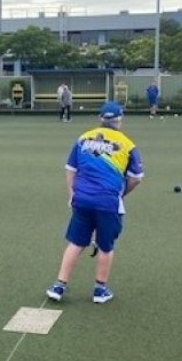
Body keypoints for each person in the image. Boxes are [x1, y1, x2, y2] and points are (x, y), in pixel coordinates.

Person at [46, 102, 143, 305]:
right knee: (105, 246)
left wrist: (72, 192)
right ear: (119, 120)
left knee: (76, 242)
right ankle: (100, 290)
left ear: (100, 119)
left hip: (82, 199)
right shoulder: (128, 144)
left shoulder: (83, 138)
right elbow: (136, 178)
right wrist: (121, 193)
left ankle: (59, 286)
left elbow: (70, 168)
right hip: (108, 202)